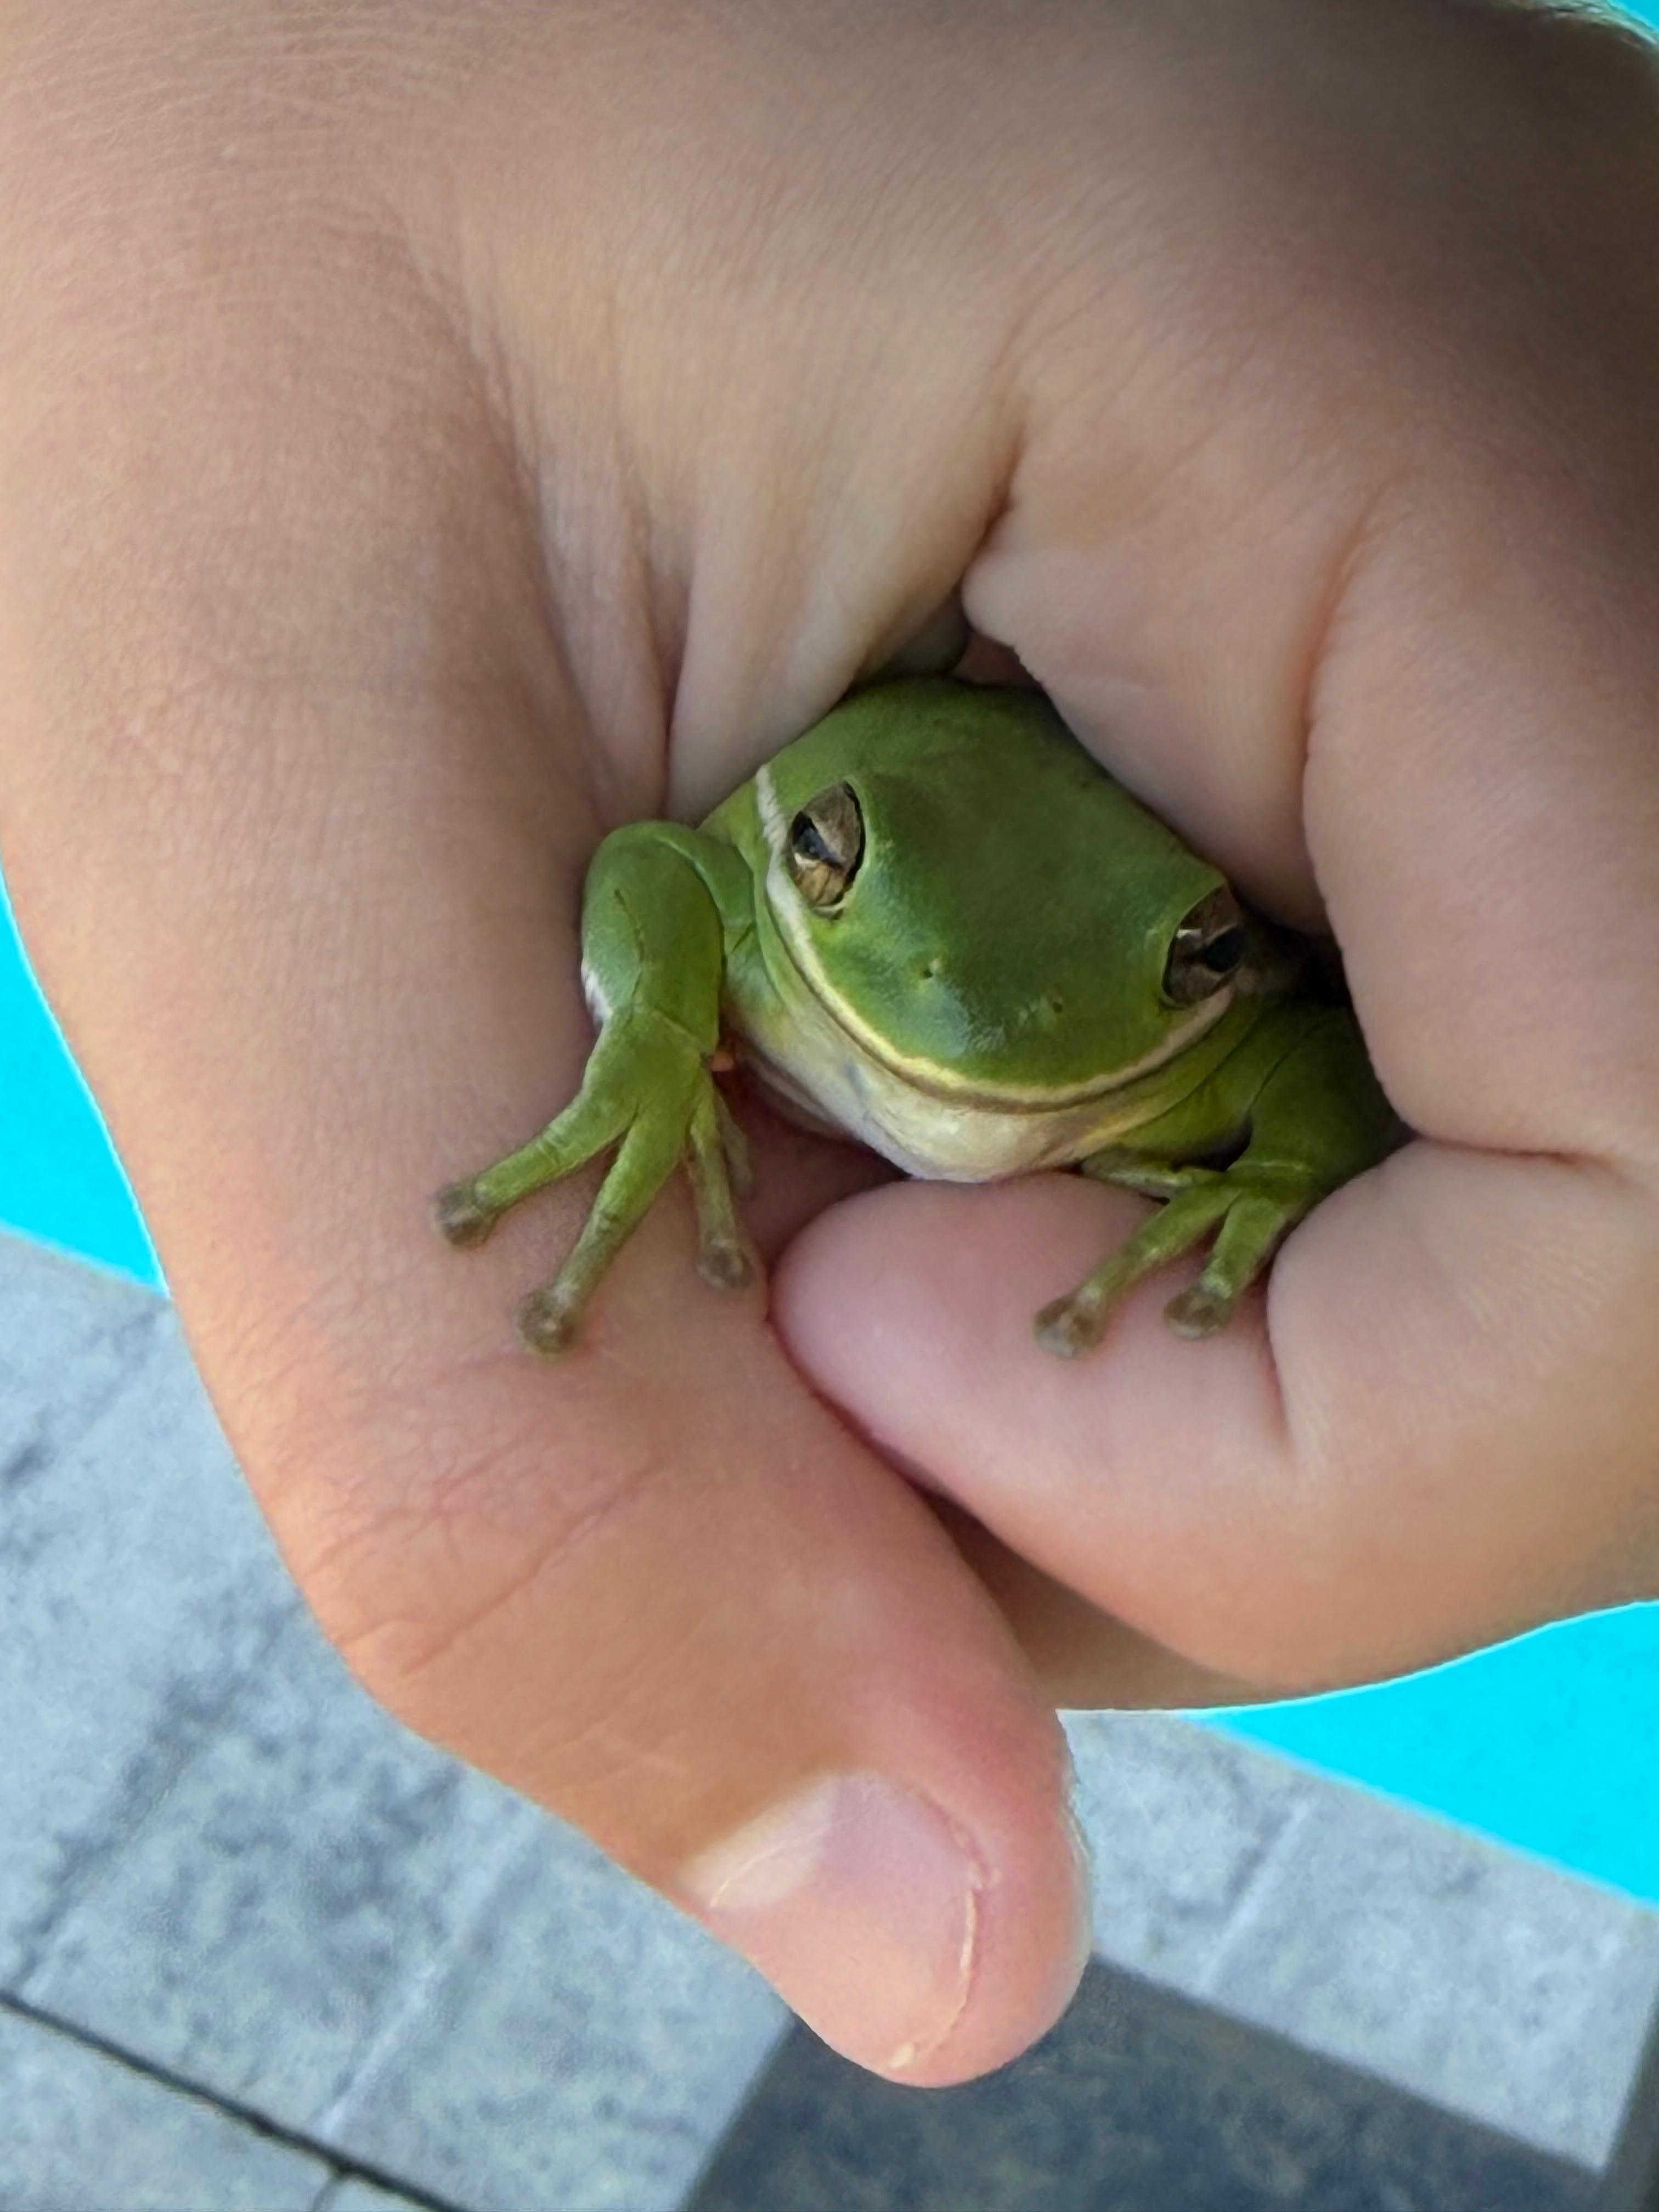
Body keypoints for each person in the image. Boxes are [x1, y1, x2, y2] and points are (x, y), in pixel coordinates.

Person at [2, 0, 1656, 2086]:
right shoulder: (768, 868)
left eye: (1199, 952)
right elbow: (658, 874)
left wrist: (1264, 1164)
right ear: (815, 836)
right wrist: (652, 1044)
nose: (975, 1036)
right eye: (831, 846)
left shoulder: (1225, 1023)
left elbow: (1309, 1071)